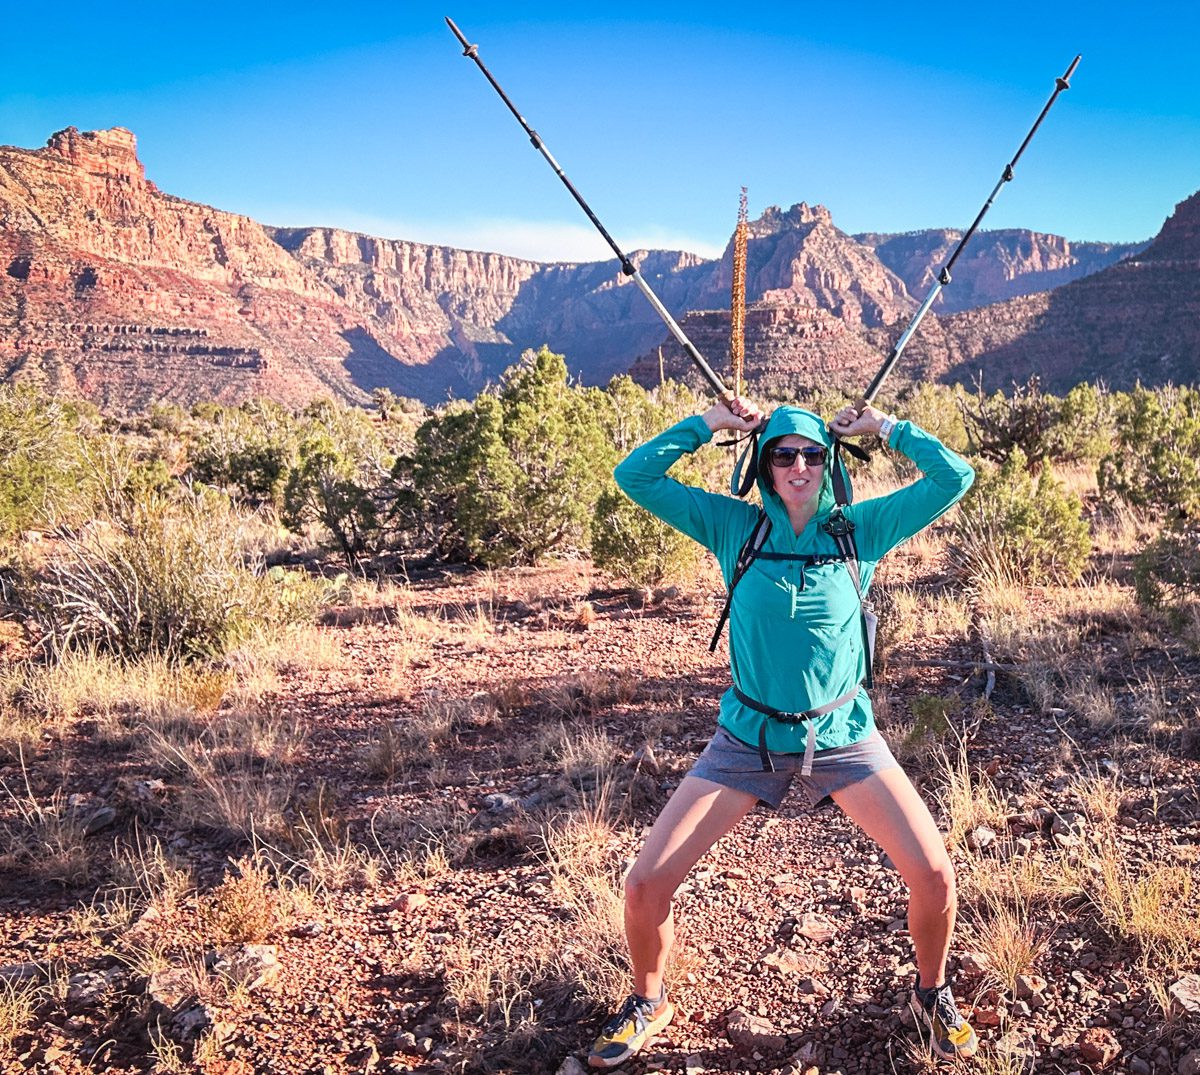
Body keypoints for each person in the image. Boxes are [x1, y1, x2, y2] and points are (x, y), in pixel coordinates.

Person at [587, 397, 978, 1068]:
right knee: (645, 884)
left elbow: (955, 478)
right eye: (782, 453)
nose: (798, 465)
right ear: (763, 465)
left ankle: (931, 991)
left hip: (844, 733)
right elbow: (635, 476)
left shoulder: (861, 529)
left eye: (811, 453)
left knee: (935, 874)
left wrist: (885, 428)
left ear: (828, 461)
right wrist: (708, 424)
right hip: (748, 738)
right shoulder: (733, 527)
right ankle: (648, 1001)